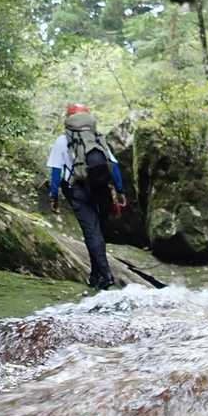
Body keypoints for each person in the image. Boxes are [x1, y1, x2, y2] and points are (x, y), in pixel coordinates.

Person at [48, 103, 127, 290]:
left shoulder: (63, 140)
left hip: (77, 190)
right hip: (100, 187)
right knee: (97, 231)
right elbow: (114, 166)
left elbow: (56, 172)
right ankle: (95, 275)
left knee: (91, 232)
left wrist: (54, 196)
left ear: (68, 119)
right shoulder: (98, 138)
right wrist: (120, 191)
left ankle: (106, 276)